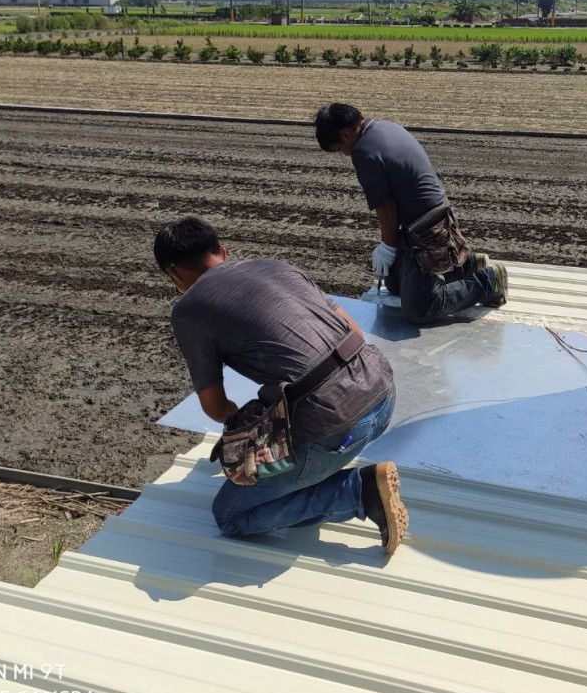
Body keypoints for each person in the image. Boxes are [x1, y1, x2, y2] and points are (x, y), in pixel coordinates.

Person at [154, 216, 408, 553]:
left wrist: (246, 432)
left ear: (173, 273)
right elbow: (355, 335)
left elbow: (216, 408)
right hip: (383, 393)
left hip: (336, 428)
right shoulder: (274, 266)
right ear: (223, 251)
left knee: (230, 514)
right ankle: (337, 463)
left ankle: (357, 493)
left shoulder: (189, 310)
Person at [314, 102, 508, 325]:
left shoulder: (364, 152)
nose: (344, 154)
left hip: (428, 232)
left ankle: (489, 282)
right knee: (395, 285)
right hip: (438, 218)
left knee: (419, 310)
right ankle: (467, 264)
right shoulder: (385, 127)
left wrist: (387, 247)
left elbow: (386, 209)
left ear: (346, 134)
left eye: (340, 149)